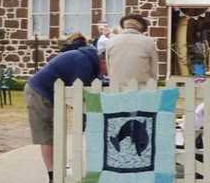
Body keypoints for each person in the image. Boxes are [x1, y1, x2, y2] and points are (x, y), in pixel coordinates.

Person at [26, 45, 100, 183]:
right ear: (103, 60)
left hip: (50, 93)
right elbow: (79, 93)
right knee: (46, 135)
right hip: (38, 92)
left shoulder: (87, 59)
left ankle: (59, 167)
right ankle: (53, 174)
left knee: (56, 133)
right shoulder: (83, 63)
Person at [106, 14, 159, 89]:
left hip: (117, 89)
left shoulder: (110, 42)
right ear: (142, 28)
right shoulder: (149, 42)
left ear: (123, 26)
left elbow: (109, 68)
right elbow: (154, 71)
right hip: (142, 90)